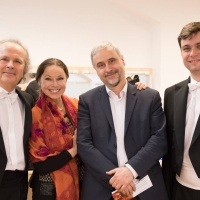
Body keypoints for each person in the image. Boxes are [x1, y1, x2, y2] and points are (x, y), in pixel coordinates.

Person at [77, 41, 168, 200]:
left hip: (145, 187)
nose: (108, 68)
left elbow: (159, 139)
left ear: (122, 60)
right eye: (101, 65)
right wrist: (118, 179)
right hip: (102, 189)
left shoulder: (149, 97)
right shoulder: (87, 101)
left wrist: (130, 171)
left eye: (112, 60)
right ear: (96, 70)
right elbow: (84, 144)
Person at [29, 58, 79, 200]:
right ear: (39, 81)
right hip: (48, 190)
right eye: (48, 79)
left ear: (66, 80)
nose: (55, 84)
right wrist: (74, 150)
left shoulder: (77, 106)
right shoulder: (35, 115)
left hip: (81, 183)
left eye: (60, 78)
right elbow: (41, 166)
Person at [162, 22, 200, 200]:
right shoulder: (171, 93)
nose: (193, 53)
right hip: (180, 187)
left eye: (199, 46)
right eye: (186, 48)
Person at [0, 39, 34, 200]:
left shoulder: (28, 101)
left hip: (18, 184)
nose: (10, 65)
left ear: (23, 70)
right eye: (4, 59)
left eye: (17, 61)